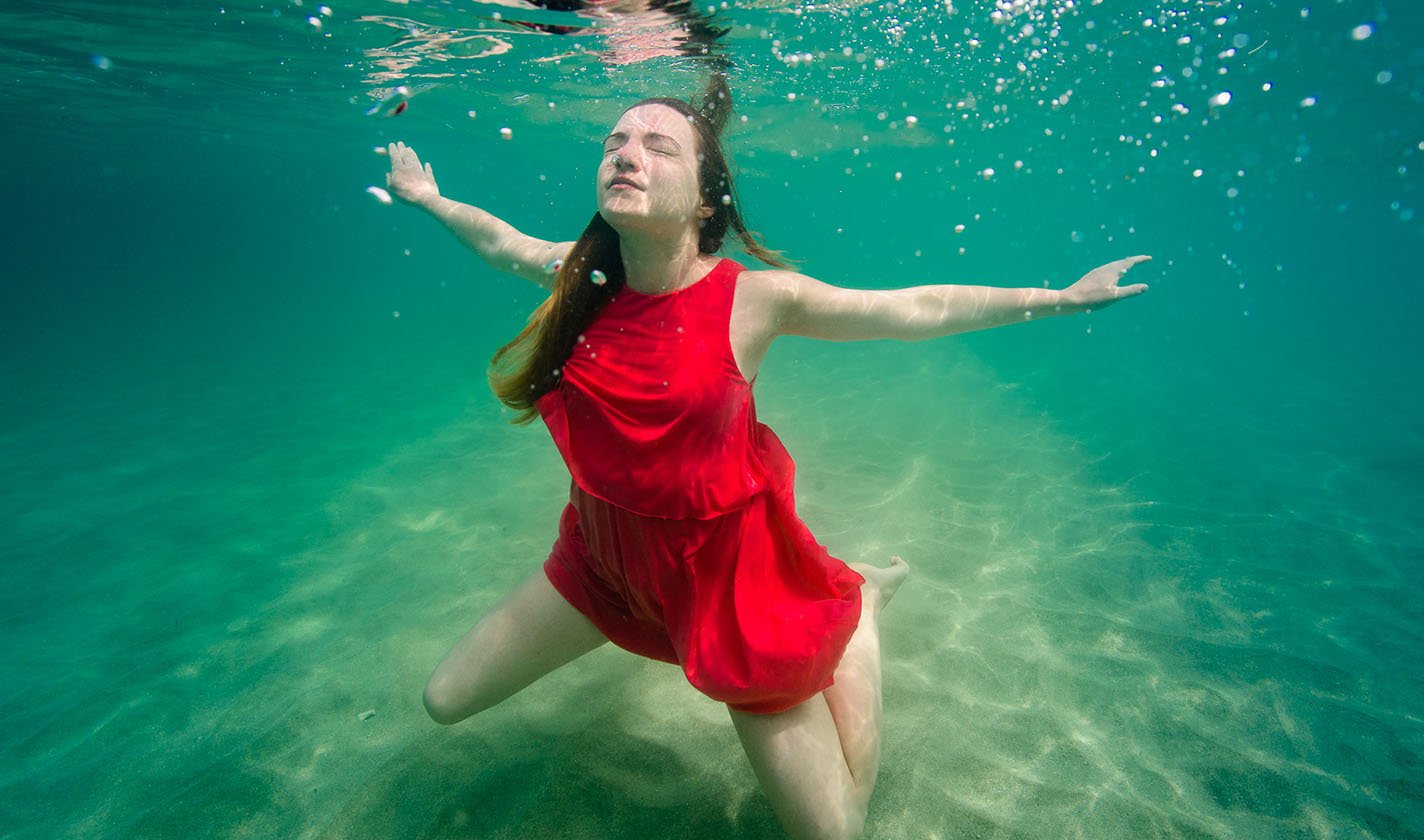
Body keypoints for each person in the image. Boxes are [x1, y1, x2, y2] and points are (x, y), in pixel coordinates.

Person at [382, 75, 1149, 840]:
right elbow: (498, 242)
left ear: (707, 199)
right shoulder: (583, 274)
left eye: (657, 145)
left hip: (726, 591)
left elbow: (911, 308)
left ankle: (863, 611)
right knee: (443, 699)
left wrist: (1060, 298)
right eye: (615, 141)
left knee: (834, 833)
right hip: (602, 561)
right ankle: (849, 603)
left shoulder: (755, 300)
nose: (627, 155)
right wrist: (427, 199)